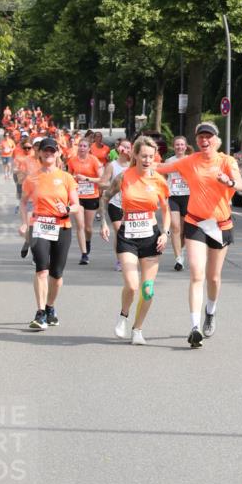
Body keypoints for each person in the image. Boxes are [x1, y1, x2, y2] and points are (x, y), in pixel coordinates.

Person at [157, 121, 242, 348]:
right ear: (196, 141)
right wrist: (139, 161)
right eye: (201, 137)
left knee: (213, 277)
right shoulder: (190, 161)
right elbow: (159, 169)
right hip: (195, 223)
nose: (205, 141)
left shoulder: (227, 161)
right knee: (196, 273)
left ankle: (210, 312)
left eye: (209, 137)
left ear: (217, 140)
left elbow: (241, 184)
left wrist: (229, 181)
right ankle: (194, 327)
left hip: (221, 225)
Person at [100, 135, 170, 345]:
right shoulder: (124, 177)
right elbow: (105, 197)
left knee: (147, 290)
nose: (148, 160)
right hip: (128, 235)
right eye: (144, 156)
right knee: (132, 285)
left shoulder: (158, 180)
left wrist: (165, 234)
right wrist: (104, 222)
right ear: (135, 155)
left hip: (151, 236)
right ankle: (123, 315)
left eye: (151, 156)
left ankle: (137, 329)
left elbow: (166, 210)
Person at [19, 137, 84, 330]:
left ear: (57, 154)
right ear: (39, 153)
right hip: (39, 225)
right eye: (45, 151)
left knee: (56, 274)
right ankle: (40, 314)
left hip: (62, 227)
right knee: (41, 269)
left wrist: (66, 208)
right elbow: (23, 203)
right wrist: (24, 223)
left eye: (52, 151)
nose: (48, 154)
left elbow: (76, 206)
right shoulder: (32, 178)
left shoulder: (66, 178)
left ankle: (50, 307)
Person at [67, 137, 104, 264]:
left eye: (84, 146)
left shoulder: (94, 161)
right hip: (77, 196)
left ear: (89, 149)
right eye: (80, 146)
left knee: (88, 228)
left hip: (91, 196)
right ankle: (84, 254)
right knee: (80, 225)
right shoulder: (72, 160)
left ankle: (87, 242)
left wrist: (87, 179)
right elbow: (68, 176)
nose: (82, 148)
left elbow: (102, 179)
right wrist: (73, 178)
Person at [102, 137, 132, 271]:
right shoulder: (112, 165)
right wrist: (114, 184)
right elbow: (102, 182)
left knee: (129, 232)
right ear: (118, 148)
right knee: (120, 232)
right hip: (115, 203)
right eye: (123, 146)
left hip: (130, 204)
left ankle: (129, 257)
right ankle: (120, 260)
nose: (125, 149)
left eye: (128, 147)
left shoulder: (134, 166)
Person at [165, 136, 192, 271]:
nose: (179, 147)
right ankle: (178, 258)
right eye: (177, 145)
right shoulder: (169, 161)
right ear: (173, 146)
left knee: (184, 231)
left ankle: (181, 252)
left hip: (188, 197)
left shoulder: (191, 161)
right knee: (175, 227)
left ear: (185, 147)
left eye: (182, 145)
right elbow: (163, 178)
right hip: (173, 196)